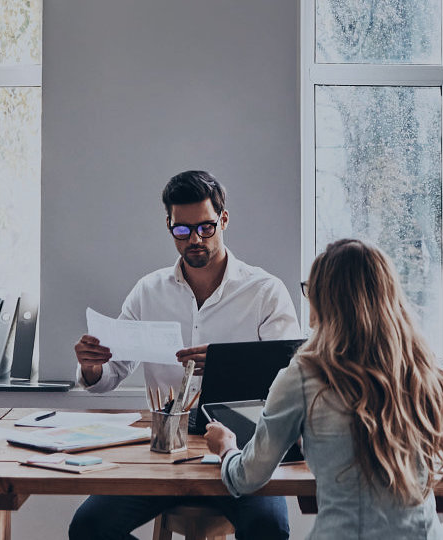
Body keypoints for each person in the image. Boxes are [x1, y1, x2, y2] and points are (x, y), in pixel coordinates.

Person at [69, 170, 302, 540]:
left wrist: (230, 364)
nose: (194, 239)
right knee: (88, 528)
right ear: (169, 226)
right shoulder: (148, 291)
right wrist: (92, 368)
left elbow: (292, 377)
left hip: (244, 448)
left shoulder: (264, 292)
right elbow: (110, 375)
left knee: (269, 529)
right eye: (182, 230)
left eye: (206, 228)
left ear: (223, 219)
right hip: (164, 455)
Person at [203, 239, 443, 539]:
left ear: (324, 300)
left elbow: (247, 477)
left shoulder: (304, 375)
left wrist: (227, 447)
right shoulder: (420, 368)